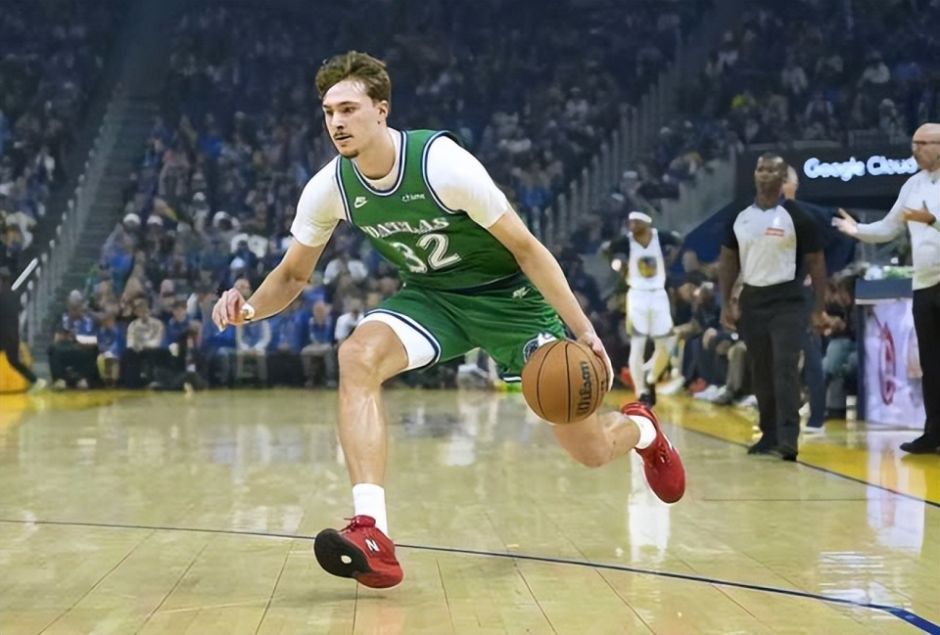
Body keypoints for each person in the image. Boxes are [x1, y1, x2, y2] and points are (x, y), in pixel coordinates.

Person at [212, 51, 686, 589]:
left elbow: (527, 249)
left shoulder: (442, 165)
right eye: (328, 112)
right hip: (433, 298)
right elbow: (294, 274)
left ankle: (643, 429)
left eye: (348, 109)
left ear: (381, 110)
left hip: (510, 301)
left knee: (591, 450)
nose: (336, 122)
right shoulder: (330, 187)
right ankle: (372, 532)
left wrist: (583, 330)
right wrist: (249, 308)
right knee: (356, 356)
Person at [833, 122, 940, 454]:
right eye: (913, 143)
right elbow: (889, 227)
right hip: (924, 283)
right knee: (931, 363)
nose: (915, 150)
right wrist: (857, 230)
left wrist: (932, 221)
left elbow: (929, 222)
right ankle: (933, 433)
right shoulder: (913, 185)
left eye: (922, 144)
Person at [719, 153, 828, 461]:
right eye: (760, 169)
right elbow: (728, 260)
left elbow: (817, 262)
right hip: (753, 300)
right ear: (754, 174)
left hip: (788, 300)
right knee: (761, 368)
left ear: (783, 178)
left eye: (772, 170)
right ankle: (768, 433)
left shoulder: (799, 217)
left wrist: (819, 307)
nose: (765, 174)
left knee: (784, 366)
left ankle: (789, 437)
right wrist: (726, 302)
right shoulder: (740, 215)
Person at [608, 211, 678, 405]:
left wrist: (670, 259)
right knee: (638, 344)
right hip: (637, 295)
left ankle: (650, 375)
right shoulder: (626, 242)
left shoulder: (660, 237)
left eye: (636, 222)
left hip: (658, 294)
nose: (632, 225)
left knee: (667, 343)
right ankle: (641, 391)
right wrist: (617, 265)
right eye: (630, 222)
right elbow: (608, 250)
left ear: (647, 222)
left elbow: (678, 240)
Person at [0, 266, 45, 391]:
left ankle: (36, 381)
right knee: (14, 361)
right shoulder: (14, 295)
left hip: (4, 335)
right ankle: (36, 381)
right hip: (12, 335)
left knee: (13, 361)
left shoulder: (2, 297)